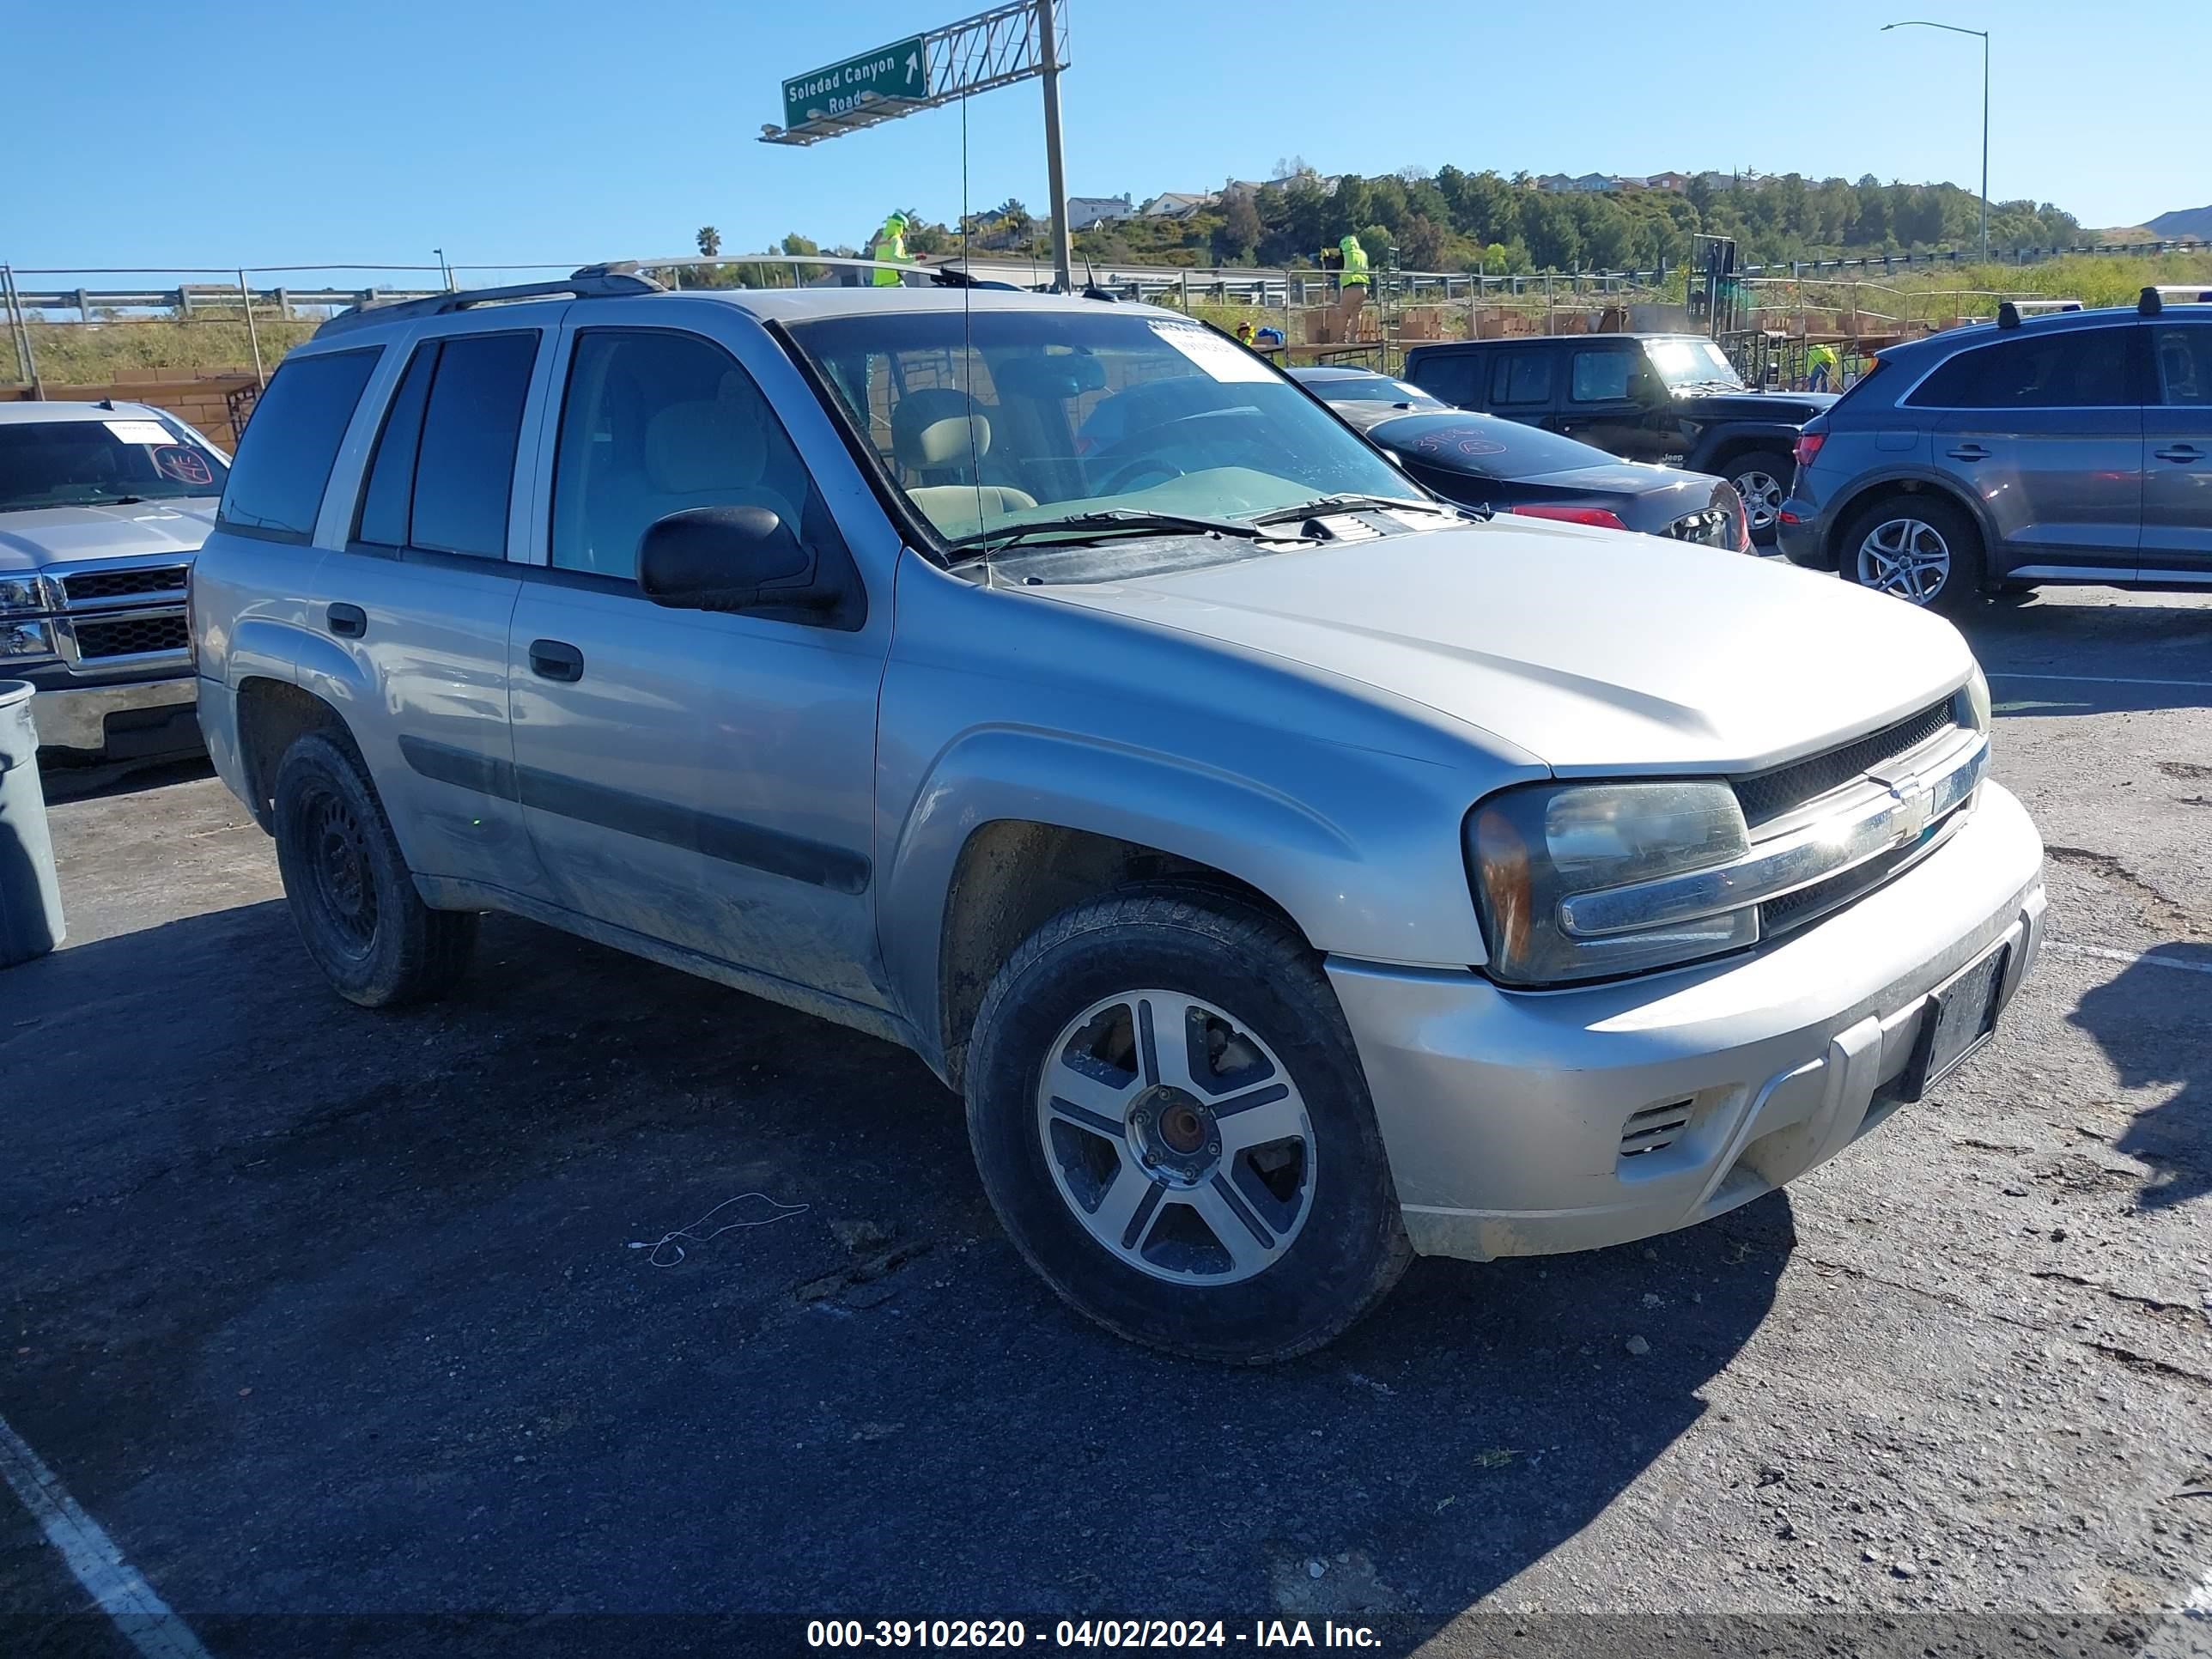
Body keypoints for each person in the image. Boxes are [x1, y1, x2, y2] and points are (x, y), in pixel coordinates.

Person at [1337, 234, 1371, 331]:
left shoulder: (1346, 255)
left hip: (1351, 287)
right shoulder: (1363, 254)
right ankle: (1353, 338)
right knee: (1356, 313)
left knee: (1343, 313)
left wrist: (1326, 257)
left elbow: (1334, 265)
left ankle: (1341, 338)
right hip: (1363, 287)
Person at [869, 213, 914, 287]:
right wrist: (915, 258)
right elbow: (896, 259)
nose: (905, 233)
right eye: (905, 230)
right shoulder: (896, 240)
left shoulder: (882, 241)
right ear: (900, 227)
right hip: (894, 283)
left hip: (878, 284)